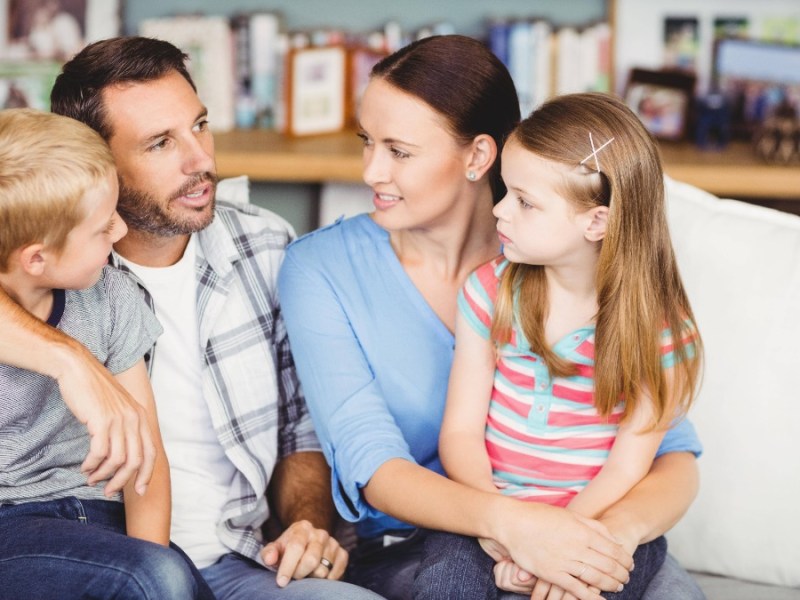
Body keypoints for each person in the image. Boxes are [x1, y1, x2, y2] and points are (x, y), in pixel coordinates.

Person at [278, 35, 705, 600]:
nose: (371, 172)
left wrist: (596, 540)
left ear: (479, 156)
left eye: (399, 151)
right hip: (424, 542)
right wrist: (515, 529)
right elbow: (373, 466)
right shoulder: (319, 268)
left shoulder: (558, 260)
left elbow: (668, 457)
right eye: (367, 142)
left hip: (594, 527)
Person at [0, 36, 381, 600]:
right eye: (160, 143)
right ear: (95, 160)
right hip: (77, 552)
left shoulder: (266, 245)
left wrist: (309, 524)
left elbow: (302, 425)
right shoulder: (61, 262)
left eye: (199, 125)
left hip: (238, 561)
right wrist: (71, 360)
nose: (201, 159)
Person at [415, 92, 703, 600]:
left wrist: (560, 540)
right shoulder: (489, 291)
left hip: (598, 519)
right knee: (444, 585)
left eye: (526, 201)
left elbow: (628, 467)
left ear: (596, 222)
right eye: (507, 190)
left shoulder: (661, 331)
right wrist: (503, 533)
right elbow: (459, 433)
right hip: (491, 510)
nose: (500, 211)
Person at [0, 108, 213, 599]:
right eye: (101, 228)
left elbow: (146, 458)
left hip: (106, 522)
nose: (120, 232)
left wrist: (154, 559)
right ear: (36, 258)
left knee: (166, 578)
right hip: (13, 529)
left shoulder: (111, 298)